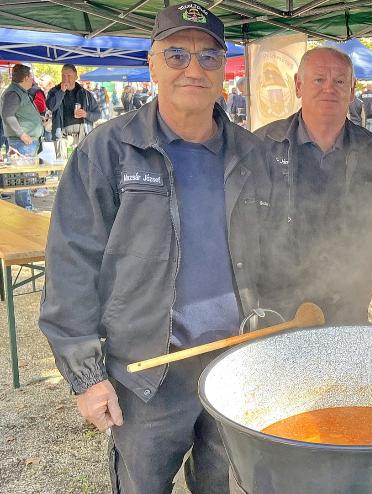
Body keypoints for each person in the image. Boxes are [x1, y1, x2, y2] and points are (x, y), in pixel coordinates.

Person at [38, 3, 269, 492]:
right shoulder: (108, 150)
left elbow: (278, 253)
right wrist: (87, 375)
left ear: (223, 69)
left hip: (236, 363)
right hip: (147, 375)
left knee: (224, 485)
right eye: (177, 54)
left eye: (209, 58)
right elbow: (71, 263)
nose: (193, 68)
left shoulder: (252, 153)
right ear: (152, 63)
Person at [255, 46, 372, 327]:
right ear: (298, 85)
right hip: (278, 302)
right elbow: (243, 226)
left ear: (351, 90)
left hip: (348, 297)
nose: (329, 89)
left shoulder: (369, 148)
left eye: (339, 82)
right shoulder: (264, 145)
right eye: (318, 80)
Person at [0, 64, 43, 210]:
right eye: (31, 77)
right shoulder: (13, 93)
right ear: (25, 78)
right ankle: (25, 208)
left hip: (25, 142)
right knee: (22, 178)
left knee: (24, 177)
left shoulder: (19, 91)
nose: (32, 79)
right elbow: (7, 115)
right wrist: (22, 134)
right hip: (21, 142)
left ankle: (26, 207)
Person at [46, 63, 101, 159]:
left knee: (81, 166)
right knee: (63, 167)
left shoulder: (86, 94)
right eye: (63, 75)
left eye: (69, 75)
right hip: (61, 137)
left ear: (75, 76)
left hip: (82, 137)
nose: (65, 78)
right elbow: (52, 107)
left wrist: (86, 114)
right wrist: (61, 92)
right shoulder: (54, 92)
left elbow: (97, 115)